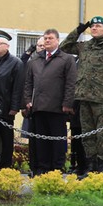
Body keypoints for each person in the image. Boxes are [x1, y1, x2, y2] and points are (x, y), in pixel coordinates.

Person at [60, 16, 103, 174]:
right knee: (87, 134)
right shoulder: (86, 46)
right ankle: (91, 165)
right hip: (84, 97)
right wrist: (78, 31)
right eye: (92, 26)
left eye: (98, 26)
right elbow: (64, 47)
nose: (94, 28)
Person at [24, 29, 76, 174]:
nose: (47, 41)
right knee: (41, 141)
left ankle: (57, 168)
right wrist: (27, 100)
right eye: (45, 38)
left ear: (57, 41)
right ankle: (42, 167)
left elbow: (71, 83)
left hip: (57, 108)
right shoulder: (35, 60)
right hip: (38, 107)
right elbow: (28, 83)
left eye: (50, 38)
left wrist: (67, 103)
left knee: (58, 141)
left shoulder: (66, 59)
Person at [0, 31, 25, 168]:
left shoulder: (16, 63)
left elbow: (18, 87)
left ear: (7, 46)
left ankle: (5, 166)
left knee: (6, 137)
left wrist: (15, 107)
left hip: (6, 106)